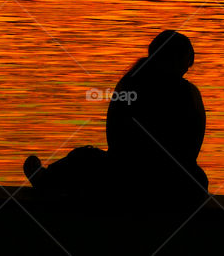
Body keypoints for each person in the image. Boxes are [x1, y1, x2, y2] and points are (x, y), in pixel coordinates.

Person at [23, 30, 208, 205]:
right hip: (176, 181)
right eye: (185, 65)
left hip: (134, 178)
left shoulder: (133, 83)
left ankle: (48, 180)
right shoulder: (188, 92)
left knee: (84, 158)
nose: (185, 71)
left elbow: (117, 139)